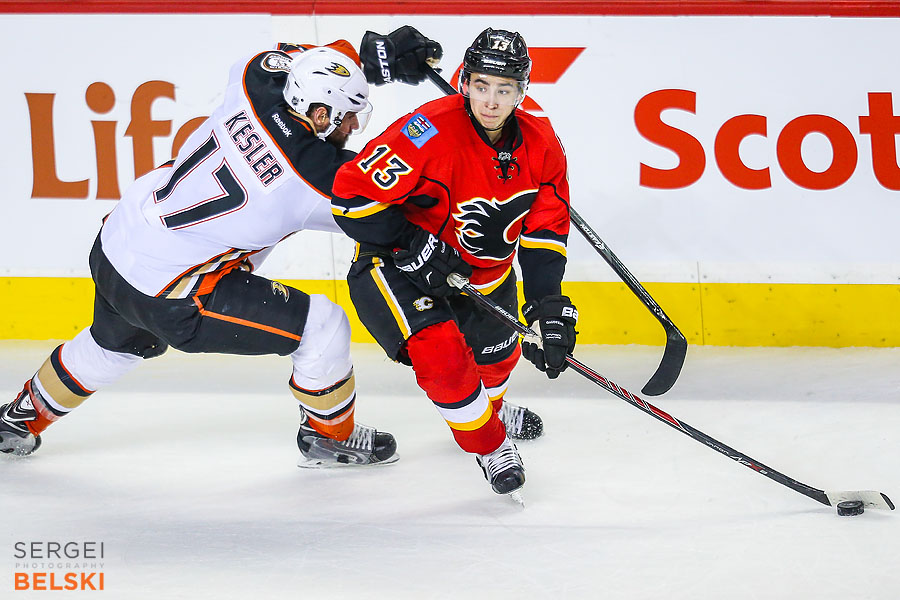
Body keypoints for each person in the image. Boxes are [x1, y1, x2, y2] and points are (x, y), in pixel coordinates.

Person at [0, 28, 443, 468]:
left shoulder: (255, 81)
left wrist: (362, 62)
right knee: (322, 327)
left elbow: (297, 58)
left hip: (118, 244)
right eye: (349, 116)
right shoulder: (320, 182)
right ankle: (329, 437)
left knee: (111, 345)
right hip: (173, 294)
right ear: (322, 115)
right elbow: (398, 210)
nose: (351, 128)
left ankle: (19, 419)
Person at [330, 28, 578, 496]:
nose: (491, 100)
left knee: (499, 358)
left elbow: (546, 229)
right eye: (481, 86)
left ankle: (490, 408)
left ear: (522, 92)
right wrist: (411, 243)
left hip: (484, 272)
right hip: (397, 267)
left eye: (504, 90)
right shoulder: (426, 130)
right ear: (464, 81)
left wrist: (548, 304)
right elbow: (349, 198)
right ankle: (490, 444)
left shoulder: (542, 143)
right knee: (444, 360)